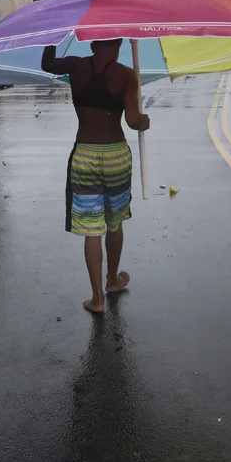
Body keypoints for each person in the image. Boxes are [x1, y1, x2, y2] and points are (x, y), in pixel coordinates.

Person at [41, 39, 150, 314]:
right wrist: (144, 120)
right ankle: (112, 280)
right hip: (116, 156)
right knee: (114, 222)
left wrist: (51, 38)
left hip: (85, 155)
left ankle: (97, 299)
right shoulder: (126, 75)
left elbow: (47, 64)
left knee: (91, 230)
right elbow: (133, 121)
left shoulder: (76, 66)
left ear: (92, 42)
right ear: (118, 44)